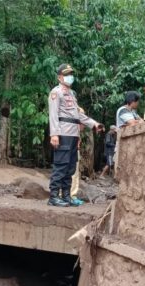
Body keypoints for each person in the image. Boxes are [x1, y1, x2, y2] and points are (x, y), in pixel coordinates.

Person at [48, 63, 103, 207]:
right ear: (60, 77)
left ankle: (66, 196)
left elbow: (78, 115)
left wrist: (93, 124)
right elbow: (53, 114)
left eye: (70, 74)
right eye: (66, 75)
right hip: (63, 132)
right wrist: (54, 134)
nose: (69, 77)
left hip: (73, 133)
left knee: (70, 167)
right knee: (61, 165)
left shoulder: (72, 94)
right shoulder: (56, 92)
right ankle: (53, 196)